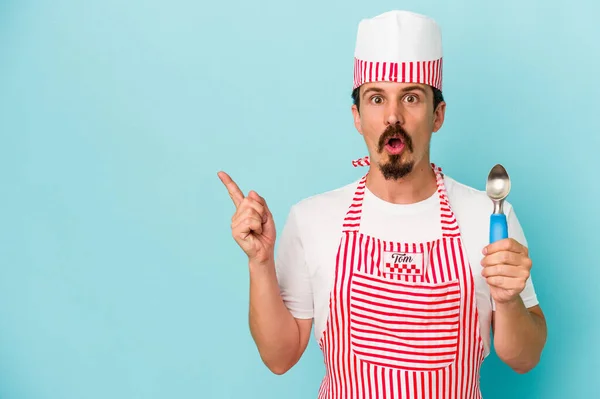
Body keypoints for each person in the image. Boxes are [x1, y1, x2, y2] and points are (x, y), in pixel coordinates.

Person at [218, 9, 547, 398]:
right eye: (376, 98)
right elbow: (280, 356)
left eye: (411, 97)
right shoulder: (313, 219)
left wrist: (507, 302)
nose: (393, 115)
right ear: (357, 117)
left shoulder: (489, 217)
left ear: (437, 115)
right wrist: (260, 263)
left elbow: (523, 358)